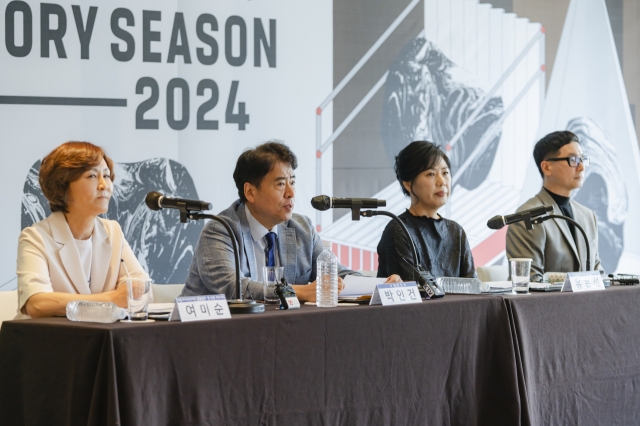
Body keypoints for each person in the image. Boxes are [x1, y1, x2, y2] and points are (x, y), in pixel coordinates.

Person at [181, 141, 400, 302]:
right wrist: (298, 291)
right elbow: (232, 288)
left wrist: (379, 285)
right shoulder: (220, 231)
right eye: (280, 184)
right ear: (250, 191)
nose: (291, 193)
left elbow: (335, 275)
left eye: (292, 182)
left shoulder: (301, 229)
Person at [16, 142, 149, 319]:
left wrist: (122, 296)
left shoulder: (112, 231)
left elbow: (142, 291)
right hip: (47, 341)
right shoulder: (36, 237)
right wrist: (112, 299)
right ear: (63, 185)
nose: (104, 185)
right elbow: (37, 304)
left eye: (107, 176)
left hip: (98, 339)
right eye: (92, 176)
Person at [506, 131, 603, 281]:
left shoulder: (589, 216)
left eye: (583, 159)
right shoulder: (527, 216)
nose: (582, 167)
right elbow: (529, 282)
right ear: (546, 167)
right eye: (573, 160)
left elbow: (598, 273)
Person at [377, 141, 476, 280]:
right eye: (431, 174)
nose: (442, 181)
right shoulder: (398, 230)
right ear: (408, 183)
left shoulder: (456, 231)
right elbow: (411, 291)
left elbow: (473, 289)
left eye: (445, 173)